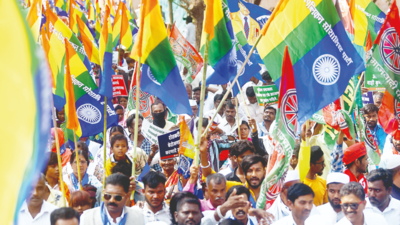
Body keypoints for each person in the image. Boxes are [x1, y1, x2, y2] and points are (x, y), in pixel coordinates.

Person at [80, 174, 145, 225]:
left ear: (127, 196)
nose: (112, 200)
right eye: (107, 196)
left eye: (117, 197)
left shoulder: (138, 217)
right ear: (103, 192)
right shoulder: (87, 218)